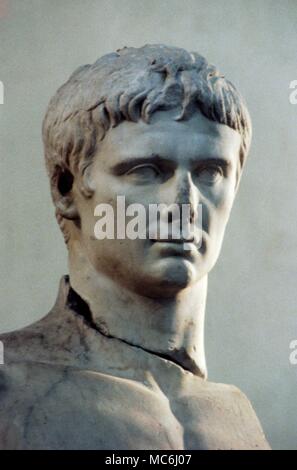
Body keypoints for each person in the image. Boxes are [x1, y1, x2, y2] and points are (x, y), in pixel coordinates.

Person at [0, 44, 270, 449]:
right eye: (146, 171)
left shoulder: (237, 415)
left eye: (210, 172)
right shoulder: (11, 388)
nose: (185, 205)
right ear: (66, 188)